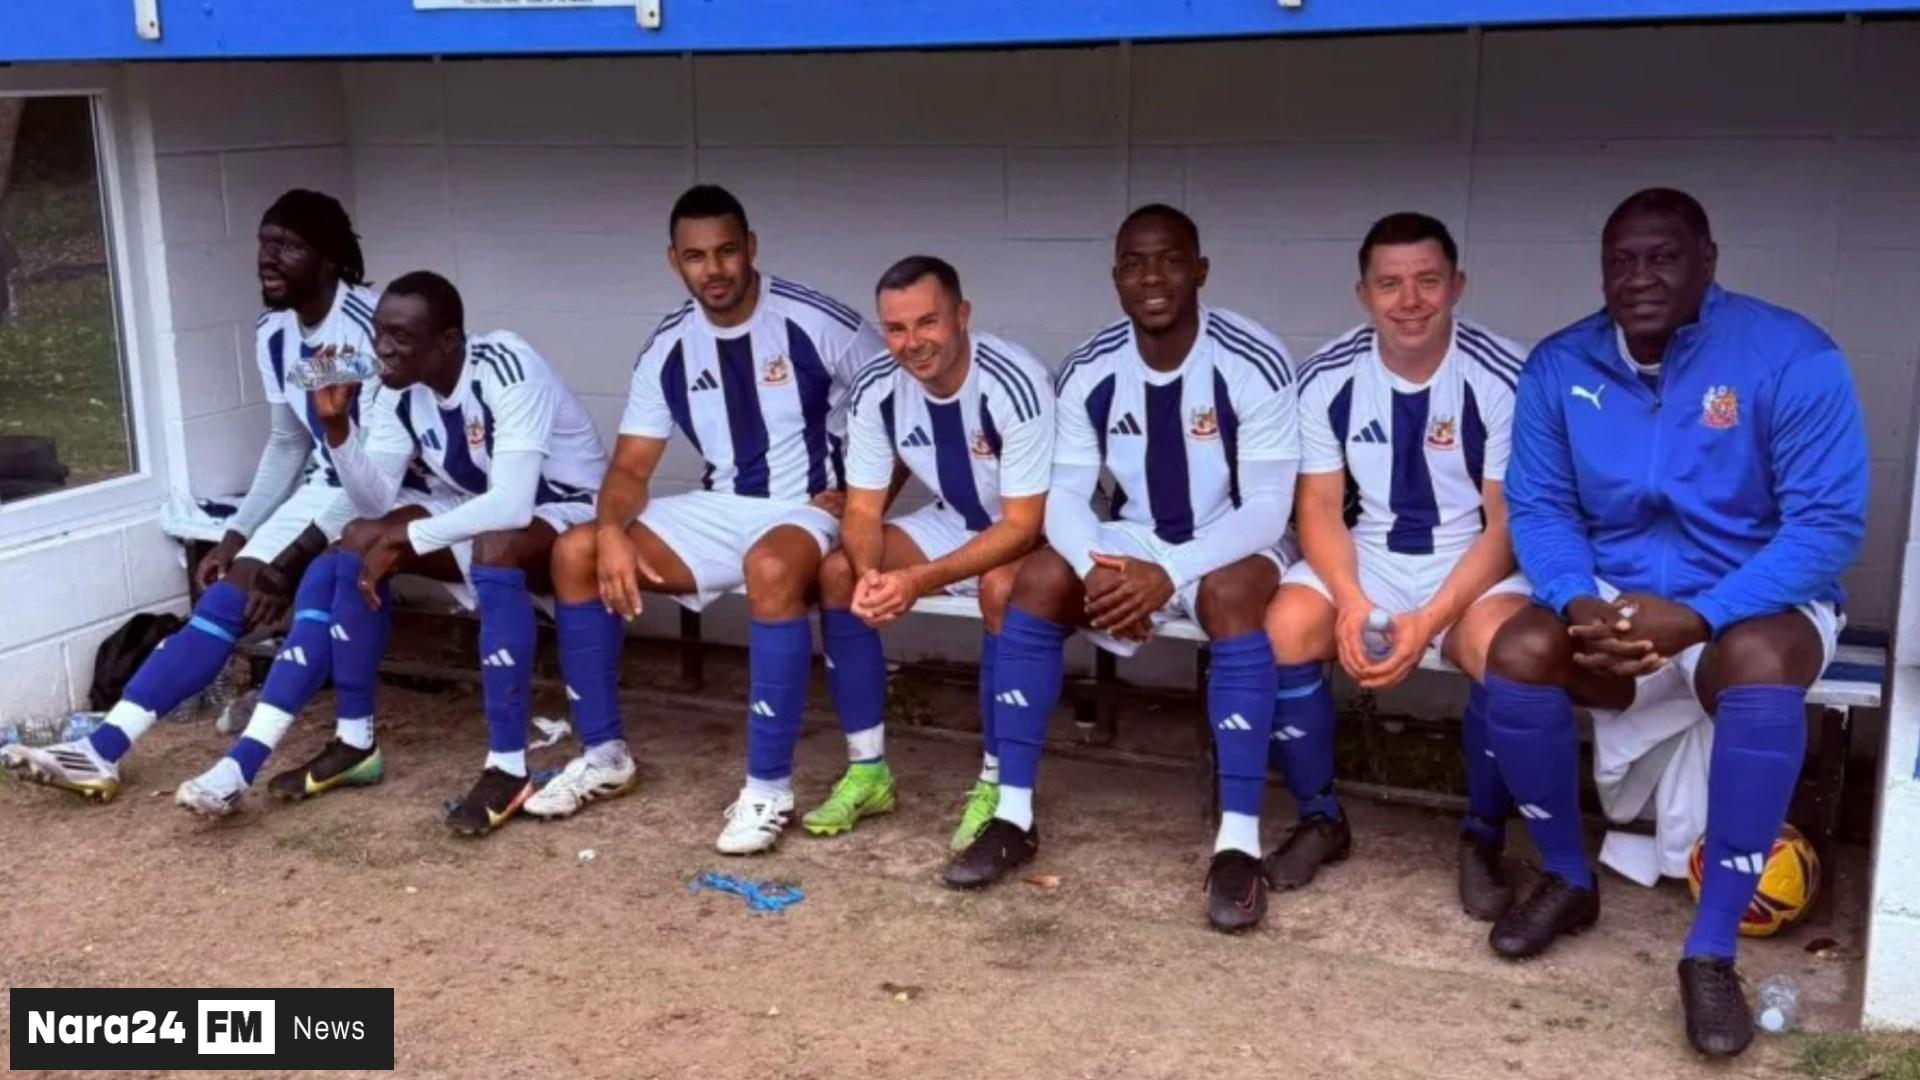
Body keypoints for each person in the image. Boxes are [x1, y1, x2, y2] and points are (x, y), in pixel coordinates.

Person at [1485, 188, 1867, 1056]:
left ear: (1708, 259)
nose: (1638, 277)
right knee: (1519, 648)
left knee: (1764, 659)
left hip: (1750, 600)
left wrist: (1699, 615)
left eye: (1661, 257)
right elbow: (1540, 508)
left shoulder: (1792, 356)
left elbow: (1827, 526)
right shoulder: (1560, 363)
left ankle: (1709, 950)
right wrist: (1577, 599)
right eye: (1620, 260)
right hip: (1614, 596)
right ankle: (1566, 876)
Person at [944, 204, 1301, 935]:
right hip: (1132, 541)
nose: (1152, 277)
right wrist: (1099, 568)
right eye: (1135, 264)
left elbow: (1268, 508)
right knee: (1035, 580)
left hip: (1229, 539)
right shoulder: (1090, 366)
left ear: (1200, 269)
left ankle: (1238, 841)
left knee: (1235, 596)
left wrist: (1167, 572)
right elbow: (1067, 498)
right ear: (1116, 279)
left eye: (1170, 259)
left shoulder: (1252, 358)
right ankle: (1012, 813)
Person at [171, 270, 608, 835]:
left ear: (447, 342)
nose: (382, 348)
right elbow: (373, 498)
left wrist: (407, 540)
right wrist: (336, 431)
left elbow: (514, 505)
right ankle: (353, 742)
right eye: (379, 333)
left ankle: (507, 766)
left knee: (487, 543)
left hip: (567, 511)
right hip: (478, 509)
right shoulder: (393, 386)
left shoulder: (506, 365)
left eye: (401, 337)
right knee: (354, 542)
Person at [526, 185, 883, 856]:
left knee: (772, 566)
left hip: (809, 508)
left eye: (725, 251)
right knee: (573, 551)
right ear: (674, 262)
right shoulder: (669, 345)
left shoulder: (818, 322)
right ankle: (604, 758)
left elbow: (903, 411)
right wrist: (608, 535)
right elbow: (631, 468)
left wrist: (868, 505)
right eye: (695, 256)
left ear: (750, 248)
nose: (713, 270)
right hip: (722, 508)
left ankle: (768, 789)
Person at [3, 189, 377, 801]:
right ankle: (102, 749)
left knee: (304, 586)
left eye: (287, 247)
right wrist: (236, 537)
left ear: (330, 258)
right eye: (264, 243)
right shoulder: (275, 333)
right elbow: (287, 444)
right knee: (229, 592)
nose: (268, 258)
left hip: (390, 496)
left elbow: (386, 465)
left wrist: (286, 559)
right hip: (327, 489)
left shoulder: (368, 329)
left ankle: (238, 769)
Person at [1264, 212, 1532, 920]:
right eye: (1389, 284)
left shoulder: (1505, 374)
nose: (1409, 301)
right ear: (1363, 293)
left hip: (1471, 563)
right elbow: (1318, 508)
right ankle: (1321, 818)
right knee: (1288, 626)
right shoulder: (1325, 374)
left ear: (1458, 285)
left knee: (1505, 654)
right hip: (1371, 554)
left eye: (1427, 281)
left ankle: (1481, 838)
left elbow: (1507, 524)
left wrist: (1432, 621)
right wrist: (1351, 602)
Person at [804, 255, 1053, 850]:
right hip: (954, 523)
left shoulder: (1013, 380)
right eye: (895, 328)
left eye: (927, 322)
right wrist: (872, 575)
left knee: (1001, 588)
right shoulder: (875, 388)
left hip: (1038, 529)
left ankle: (996, 783)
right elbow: (863, 511)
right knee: (839, 573)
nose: (912, 342)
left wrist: (916, 579)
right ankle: (868, 771)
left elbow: (1023, 525)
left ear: (962, 316)